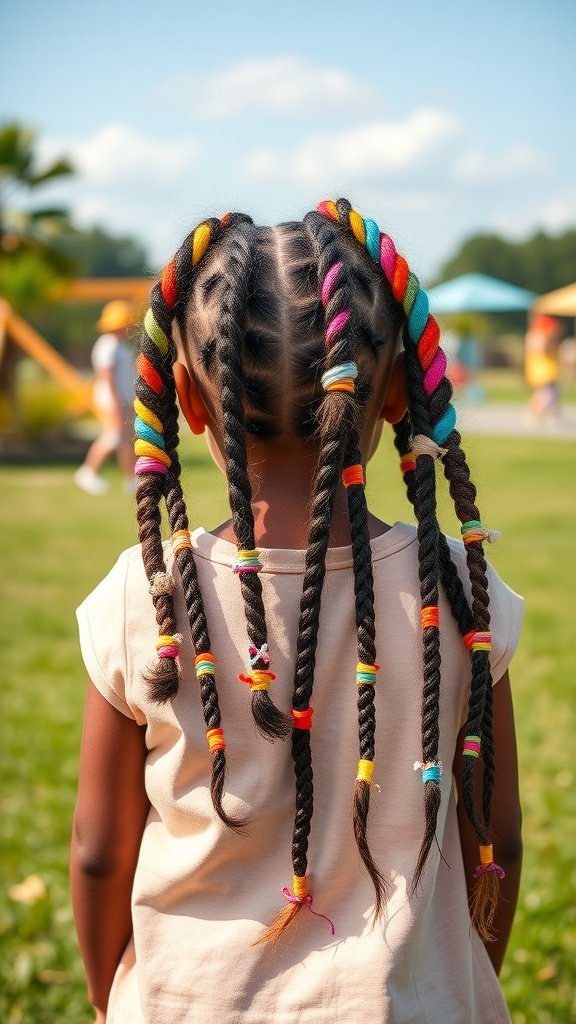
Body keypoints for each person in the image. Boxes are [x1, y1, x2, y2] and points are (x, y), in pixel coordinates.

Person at [72, 201, 523, 1024]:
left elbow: (99, 853)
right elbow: (497, 838)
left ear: (188, 401)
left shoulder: (146, 596)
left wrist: (112, 1003)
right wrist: (456, 985)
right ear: (396, 393)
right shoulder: (461, 597)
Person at [74, 300, 136, 494]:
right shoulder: (108, 346)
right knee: (112, 437)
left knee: (125, 440)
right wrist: (117, 404)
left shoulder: (119, 345)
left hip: (121, 399)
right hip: (111, 400)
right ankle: (87, 472)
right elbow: (107, 378)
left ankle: (131, 478)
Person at [524, 313, 562, 419]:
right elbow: (543, 350)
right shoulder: (537, 336)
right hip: (541, 370)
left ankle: (539, 413)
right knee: (547, 394)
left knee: (545, 393)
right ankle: (537, 413)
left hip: (547, 370)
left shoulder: (538, 335)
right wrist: (550, 338)